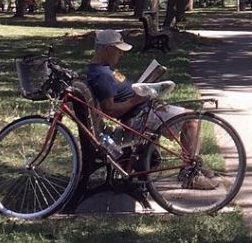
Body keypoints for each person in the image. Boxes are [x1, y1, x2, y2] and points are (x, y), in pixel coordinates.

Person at [85, 29, 216, 190]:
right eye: (118, 50)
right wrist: (135, 100)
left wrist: (146, 94)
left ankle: (192, 167)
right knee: (190, 120)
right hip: (139, 117)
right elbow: (110, 110)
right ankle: (190, 174)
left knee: (189, 117)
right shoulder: (102, 75)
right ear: (107, 49)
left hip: (144, 110)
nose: (121, 54)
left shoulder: (105, 70)